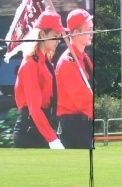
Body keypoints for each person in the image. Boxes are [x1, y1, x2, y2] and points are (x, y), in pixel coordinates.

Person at [12, 10, 65, 149]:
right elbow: (34, 108)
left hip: (41, 126)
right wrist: (52, 139)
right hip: (29, 131)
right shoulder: (31, 63)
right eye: (55, 36)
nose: (58, 41)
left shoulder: (45, 61)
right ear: (42, 34)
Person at [55, 9, 93, 149]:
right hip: (74, 126)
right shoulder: (67, 61)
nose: (92, 33)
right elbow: (81, 98)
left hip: (83, 124)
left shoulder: (84, 59)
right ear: (76, 32)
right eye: (88, 29)